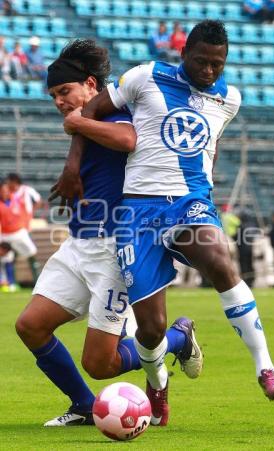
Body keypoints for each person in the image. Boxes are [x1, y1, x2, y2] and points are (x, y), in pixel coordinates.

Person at [51, 21, 274, 425]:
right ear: (184, 55)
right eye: (202, 62)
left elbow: (209, 144)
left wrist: (207, 186)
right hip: (138, 210)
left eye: (218, 64)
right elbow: (88, 113)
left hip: (189, 202)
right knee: (150, 328)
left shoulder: (229, 99)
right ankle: (158, 383)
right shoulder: (145, 77)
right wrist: (72, 167)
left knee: (219, 259)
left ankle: (266, 368)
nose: (209, 71)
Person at [15, 39, 202, 427]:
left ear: (90, 84)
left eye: (64, 91)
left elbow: (129, 139)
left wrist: (79, 123)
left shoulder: (118, 113)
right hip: (78, 244)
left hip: (114, 251)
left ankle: (180, 337)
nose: (59, 102)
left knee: (100, 364)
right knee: (30, 325)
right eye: (53, 95)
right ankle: (84, 405)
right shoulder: (88, 122)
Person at [0, 180, 39, 283]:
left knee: (32, 252)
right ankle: (11, 283)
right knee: (7, 259)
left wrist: (26, 225)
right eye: (2, 190)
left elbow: (27, 210)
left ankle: (37, 281)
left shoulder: (17, 199)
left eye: (6, 190)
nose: (5, 192)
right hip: (5, 235)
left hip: (19, 233)